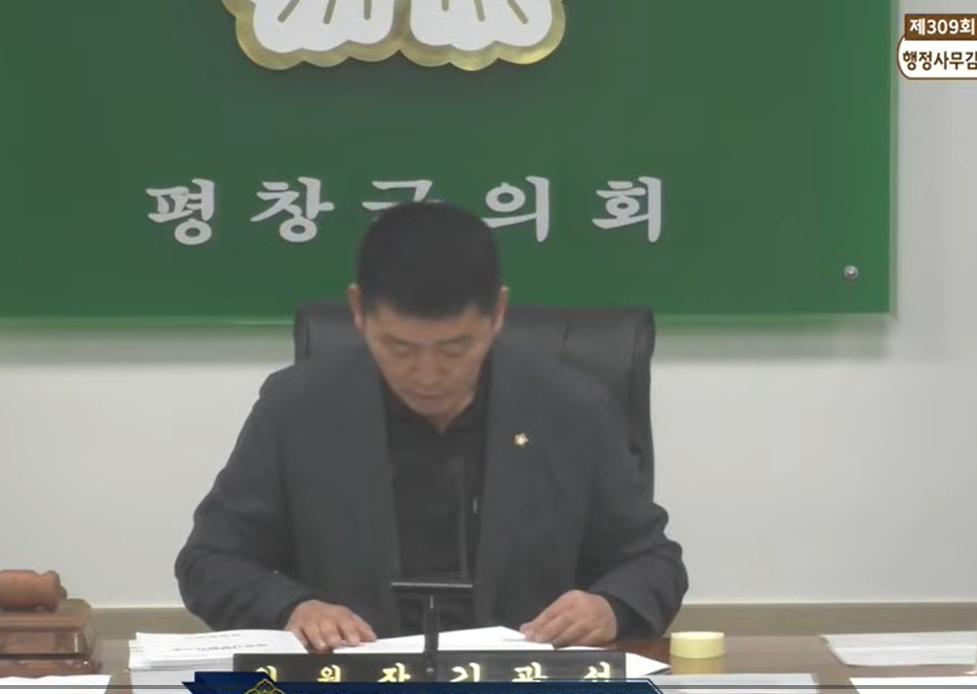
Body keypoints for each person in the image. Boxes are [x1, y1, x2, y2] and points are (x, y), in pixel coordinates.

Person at [175, 201, 687, 651]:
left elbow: (653, 562)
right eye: (399, 348)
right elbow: (209, 561)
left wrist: (609, 606)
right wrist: (293, 607)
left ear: (497, 313)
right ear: (358, 311)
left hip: (519, 693)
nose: (427, 375)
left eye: (454, 349)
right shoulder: (299, 406)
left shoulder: (571, 408)